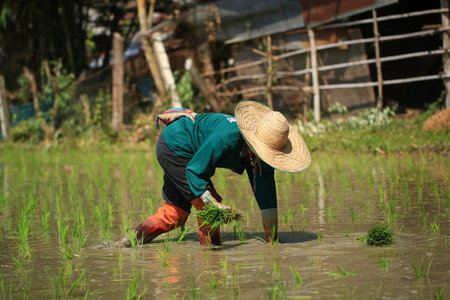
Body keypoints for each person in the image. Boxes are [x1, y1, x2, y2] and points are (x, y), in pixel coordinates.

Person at [120, 100, 311, 247]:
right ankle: (211, 255)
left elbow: (268, 202)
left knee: (175, 215)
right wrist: (212, 202)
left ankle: (129, 241)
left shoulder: (262, 161)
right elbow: (195, 169)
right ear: (254, 144)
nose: (268, 158)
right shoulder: (227, 137)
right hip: (175, 147)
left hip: (189, 153)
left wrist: (273, 243)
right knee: (209, 203)